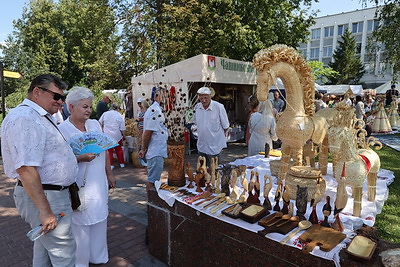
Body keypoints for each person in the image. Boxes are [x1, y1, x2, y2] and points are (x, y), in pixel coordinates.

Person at [1, 74, 78, 266]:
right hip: (46, 195)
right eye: (56, 96)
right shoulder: (25, 118)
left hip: (50, 193)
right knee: (63, 253)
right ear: (37, 92)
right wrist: (45, 211)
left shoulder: (37, 116)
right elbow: (26, 168)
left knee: (44, 249)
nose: (61, 102)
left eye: (62, 97)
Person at [58, 87, 116, 266]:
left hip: (98, 182)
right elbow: (60, 161)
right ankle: (81, 262)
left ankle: (98, 256)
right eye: (84, 106)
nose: (89, 110)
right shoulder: (63, 130)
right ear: (71, 106)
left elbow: (104, 149)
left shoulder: (94, 124)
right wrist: (80, 158)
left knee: (100, 219)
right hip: (78, 185)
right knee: (80, 225)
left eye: (90, 106)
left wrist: (109, 173)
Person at [138, 88, 168, 191]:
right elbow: (147, 132)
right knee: (153, 180)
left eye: (167, 96)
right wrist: (143, 148)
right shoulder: (154, 110)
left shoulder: (158, 109)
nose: (166, 99)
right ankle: (151, 201)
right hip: (156, 150)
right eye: (163, 96)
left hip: (158, 149)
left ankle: (152, 200)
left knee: (154, 178)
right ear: (156, 97)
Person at [194, 86, 229, 166]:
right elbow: (196, 123)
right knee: (202, 172)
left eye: (205, 98)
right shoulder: (197, 107)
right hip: (202, 146)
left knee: (215, 172)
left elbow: (226, 126)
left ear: (210, 96)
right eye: (201, 98)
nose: (203, 100)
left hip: (215, 147)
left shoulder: (219, 107)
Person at [99, 104, 126, 169]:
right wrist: (124, 136)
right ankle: (121, 163)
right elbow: (122, 128)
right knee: (119, 149)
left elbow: (99, 122)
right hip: (117, 135)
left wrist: (101, 130)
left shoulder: (105, 114)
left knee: (109, 150)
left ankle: (111, 164)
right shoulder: (119, 115)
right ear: (117, 109)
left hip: (107, 134)